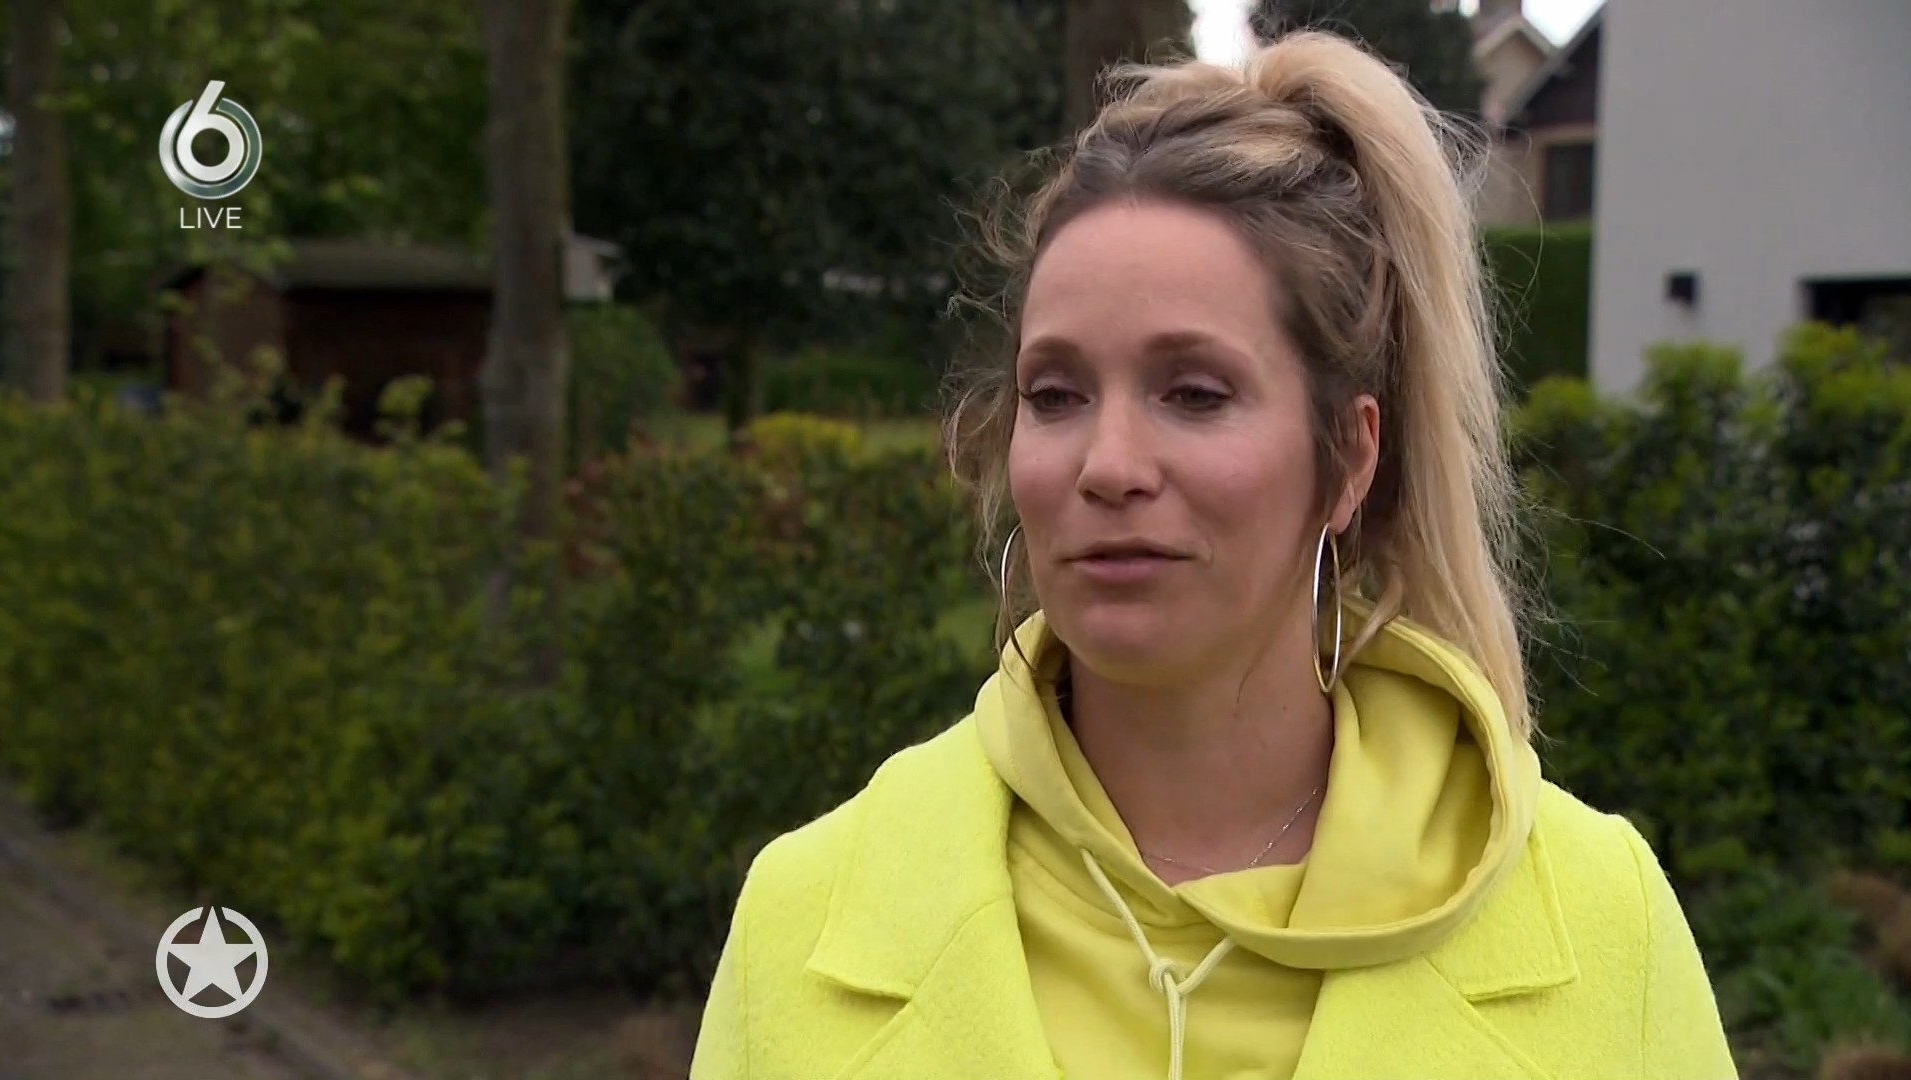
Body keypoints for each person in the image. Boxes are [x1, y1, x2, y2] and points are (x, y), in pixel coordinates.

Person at [690, 30, 1736, 1080]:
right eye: (1056, 394)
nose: (1108, 464)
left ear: (1350, 457)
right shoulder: (799, 919)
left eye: (1193, 393)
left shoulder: (1609, 924)